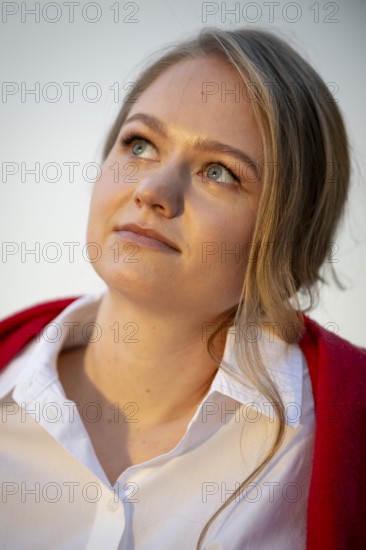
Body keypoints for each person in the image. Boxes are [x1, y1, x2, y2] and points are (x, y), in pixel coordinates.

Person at [1, 26, 365, 550]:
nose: (152, 191)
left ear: (289, 232)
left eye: (219, 171)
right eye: (140, 144)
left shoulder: (343, 432)